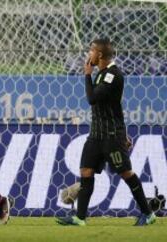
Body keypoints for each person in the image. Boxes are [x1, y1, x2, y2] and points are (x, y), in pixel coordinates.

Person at [56, 38, 156, 226]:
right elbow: (114, 108)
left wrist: (87, 74)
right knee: (86, 171)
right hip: (96, 135)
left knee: (126, 173)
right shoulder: (101, 74)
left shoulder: (112, 74)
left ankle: (148, 213)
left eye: (91, 51)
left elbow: (93, 99)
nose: (88, 55)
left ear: (100, 54)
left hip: (110, 136)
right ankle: (80, 217)